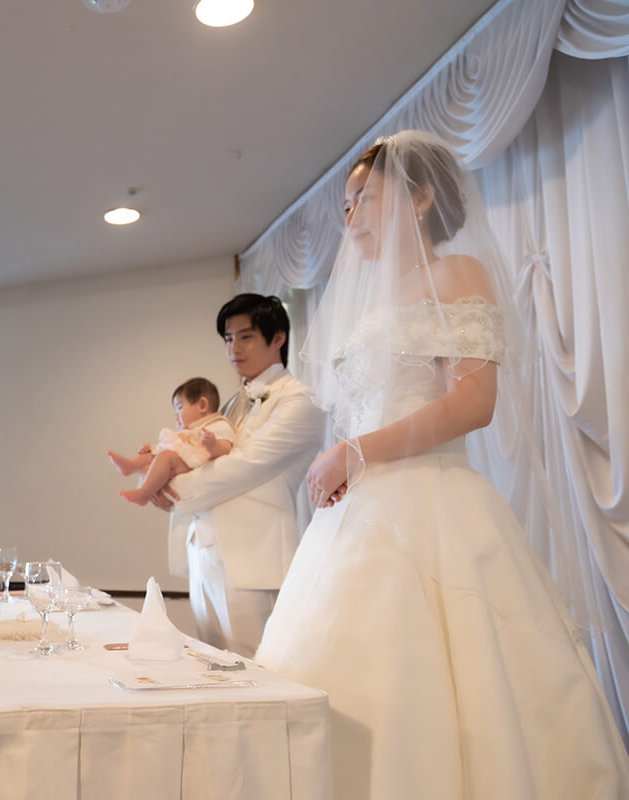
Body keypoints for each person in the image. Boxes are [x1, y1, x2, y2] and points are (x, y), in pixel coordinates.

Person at [254, 131, 629, 798]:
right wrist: (346, 458)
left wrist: (357, 451)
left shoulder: (457, 274)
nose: (353, 217)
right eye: (346, 205)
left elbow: (475, 401)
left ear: (422, 197)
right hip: (359, 516)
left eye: (366, 198)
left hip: (433, 502)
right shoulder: (373, 301)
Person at [149, 295, 324, 657]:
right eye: (228, 339)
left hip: (253, 557)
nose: (233, 349)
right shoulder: (228, 403)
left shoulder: (299, 401)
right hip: (204, 553)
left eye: (245, 337)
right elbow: (194, 454)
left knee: (256, 669)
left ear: (277, 338)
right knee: (213, 666)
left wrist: (167, 487)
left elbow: (245, 466)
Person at [108, 377, 235, 506]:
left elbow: (226, 448)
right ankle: (131, 465)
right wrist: (154, 449)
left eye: (180, 408)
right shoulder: (189, 430)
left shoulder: (218, 425)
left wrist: (213, 445)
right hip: (182, 457)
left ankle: (144, 493)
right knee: (154, 454)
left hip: (192, 462)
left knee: (165, 456)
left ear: (202, 405)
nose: (176, 417)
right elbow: (175, 446)